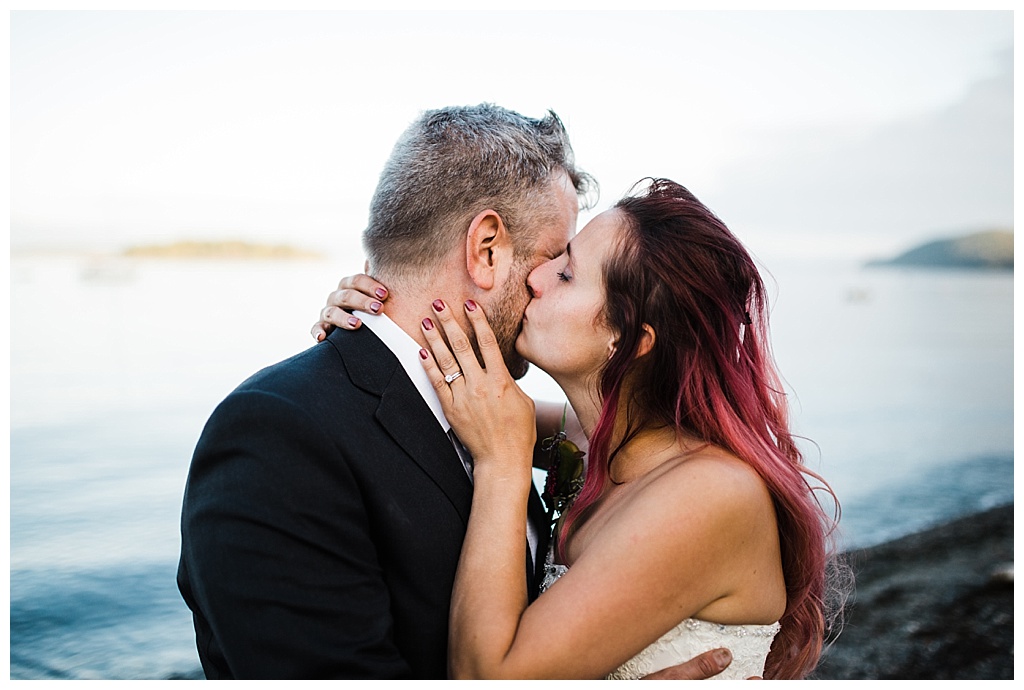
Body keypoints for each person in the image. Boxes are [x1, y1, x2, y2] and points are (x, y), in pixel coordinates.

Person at [177, 104, 734, 679]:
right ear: (486, 248)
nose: (545, 282)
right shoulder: (277, 436)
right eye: (553, 257)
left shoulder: (501, 419)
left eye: (565, 270)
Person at [316, 178, 845, 679]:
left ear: (630, 341)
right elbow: (467, 400)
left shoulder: (709, 493)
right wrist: (376, 321)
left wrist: (503, 464)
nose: (534, 277)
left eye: (566, 273)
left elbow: (486, 677)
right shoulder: (596, 440)